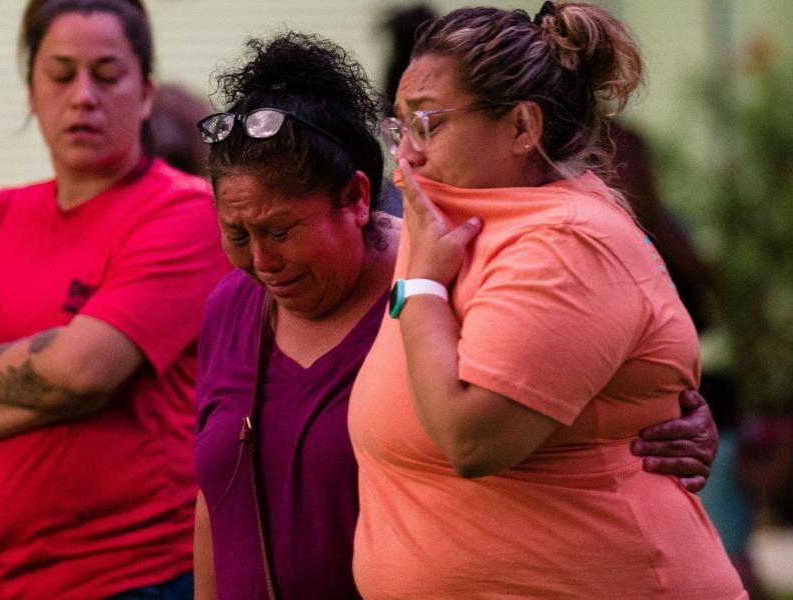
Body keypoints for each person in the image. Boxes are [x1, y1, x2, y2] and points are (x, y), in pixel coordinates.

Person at [192, 32, 721, 600]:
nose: (262, 260)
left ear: (356, 199)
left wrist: (657, 415)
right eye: (237, 234)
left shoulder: (448, 280)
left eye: (280, 231)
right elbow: (216, 499)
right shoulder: (233, 306)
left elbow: (545, 378)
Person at [348, 3, 746, 598]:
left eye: (429, 123)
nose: (406, 153)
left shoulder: (567, 241)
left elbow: (473, 440)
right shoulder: (449, 217)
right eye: (400, 127)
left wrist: (423, 288)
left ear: (521, 128)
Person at [0, 0, 230, 597]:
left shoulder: (185, 210)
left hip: (138, 575)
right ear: (31, 90)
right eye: (60, 73)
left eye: (106, 74)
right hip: (4, 579)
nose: (82, 96)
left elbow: (82, 370)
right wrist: (60, 389)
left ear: (145, 93)